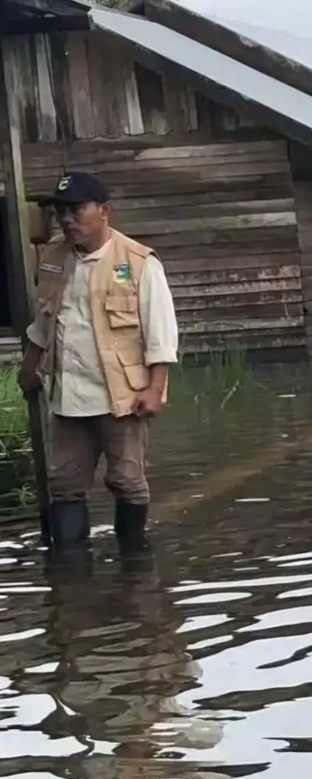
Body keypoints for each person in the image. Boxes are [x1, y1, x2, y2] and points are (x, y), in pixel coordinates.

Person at [19, 172, 179, 555]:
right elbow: (45, 320)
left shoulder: (139, 263)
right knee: (65, 485)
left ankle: (134, 561)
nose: (66, 219)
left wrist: (155, 388)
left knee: (126, 480)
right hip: (69, 395)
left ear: (104, 211)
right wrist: (30, 364)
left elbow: (161, 333)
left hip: (121, 396)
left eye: (76, 209)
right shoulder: (54, 260)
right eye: (61, 212)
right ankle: (71, 567)